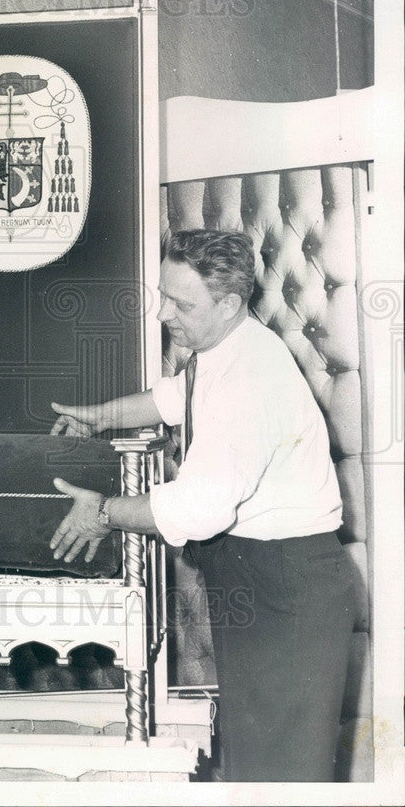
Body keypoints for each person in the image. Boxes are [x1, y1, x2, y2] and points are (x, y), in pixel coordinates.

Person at [48, 229, 355, 782]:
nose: (164, 313)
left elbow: (198, 509)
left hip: (288, 584)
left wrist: (104, 512)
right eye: (163, 295)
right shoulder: (222, 348)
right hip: (262, 573)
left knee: (282, 774)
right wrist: (98, 416)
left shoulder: (250, 376)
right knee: (254, 762)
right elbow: (169, 399)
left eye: (181, 304)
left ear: (230, 303)